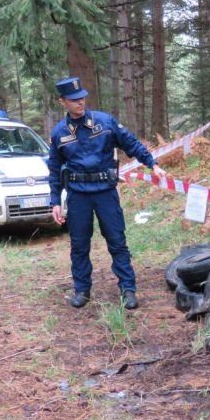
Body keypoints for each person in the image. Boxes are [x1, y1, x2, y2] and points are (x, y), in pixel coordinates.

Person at [47, 76, 165, 310]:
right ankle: (82, 290)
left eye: (82, 98)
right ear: (62, 102)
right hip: (78, 196)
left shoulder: (105, 121)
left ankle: (128, 288)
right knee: (79, 244)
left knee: (117, 241)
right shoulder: (59, 133)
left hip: (105, 193)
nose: (80, 103)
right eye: (73, 100)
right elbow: (53, 169)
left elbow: (130, 143)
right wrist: (55, 201)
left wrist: (153, 163)